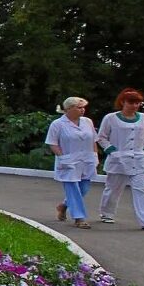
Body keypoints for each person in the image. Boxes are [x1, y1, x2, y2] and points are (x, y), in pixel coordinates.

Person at [97, 88, 144, 232]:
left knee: (142, 189)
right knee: (113, 188)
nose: (135, 106)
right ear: (122, 102)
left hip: (140, 160)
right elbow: (102, 137)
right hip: (118, 159)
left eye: (138, 103)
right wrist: (112, 151)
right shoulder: (111, 118)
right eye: (131, 102)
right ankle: (107, 213)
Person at [45, 96, 97, 229]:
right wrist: (62, 157)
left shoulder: (87, 122)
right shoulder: (58, 124)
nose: (82, 110)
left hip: (86, 160)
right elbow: (52, 143)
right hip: (68, 161)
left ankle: (63, 206)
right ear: (68, 109)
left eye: (83, 107)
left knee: (84, 188)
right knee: (73, 188)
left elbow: (93, 140)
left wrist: (95, 155)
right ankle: (79, 218)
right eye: (79, 107)